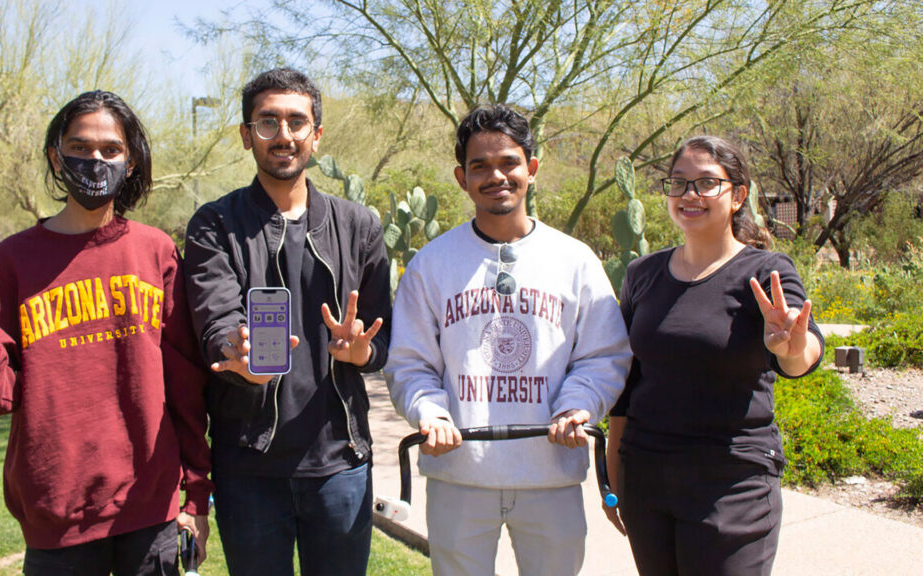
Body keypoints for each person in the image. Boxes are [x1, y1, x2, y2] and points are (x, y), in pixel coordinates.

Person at [0, 90, 213, 575]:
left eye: (111, 149)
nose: (95, 160)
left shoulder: (156, 252)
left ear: (130, 163)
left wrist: (197, 496)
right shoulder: (13, 261)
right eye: (80, 148)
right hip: (56, 513)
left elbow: (185, 387)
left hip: (150, 509)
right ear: (55, 155)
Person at [384, 104, 632, 576]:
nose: (495, 175)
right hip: (459, 474)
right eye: (480, 166)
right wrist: (430, 414)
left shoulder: (575, 261)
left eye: (508, 163)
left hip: (550, 474)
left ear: (531, 169)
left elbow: (603, 356)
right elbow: (410, 364)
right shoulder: (430, 266)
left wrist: (577, 405)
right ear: (462, 178)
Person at [183, 67, 391, 576]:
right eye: (267, 121)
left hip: (340, 463)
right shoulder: (215, 224)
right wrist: (240, 355)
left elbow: (383, 340)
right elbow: (216, 319)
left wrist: (360, 351)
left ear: (316, 136)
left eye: (297, 122)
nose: (283, 135)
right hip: (249, 464)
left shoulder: (359, 225)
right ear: (245, 134)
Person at [604, 135, 824, 575]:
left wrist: (793, 346)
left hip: (732, 483)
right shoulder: (642, 274)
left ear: (738, 195)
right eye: (679, 183)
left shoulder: (765, 271)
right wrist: (614, 481)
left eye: (706, 183)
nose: (690, 195)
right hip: (648, 478)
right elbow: (625, 387)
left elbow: (801, 351)